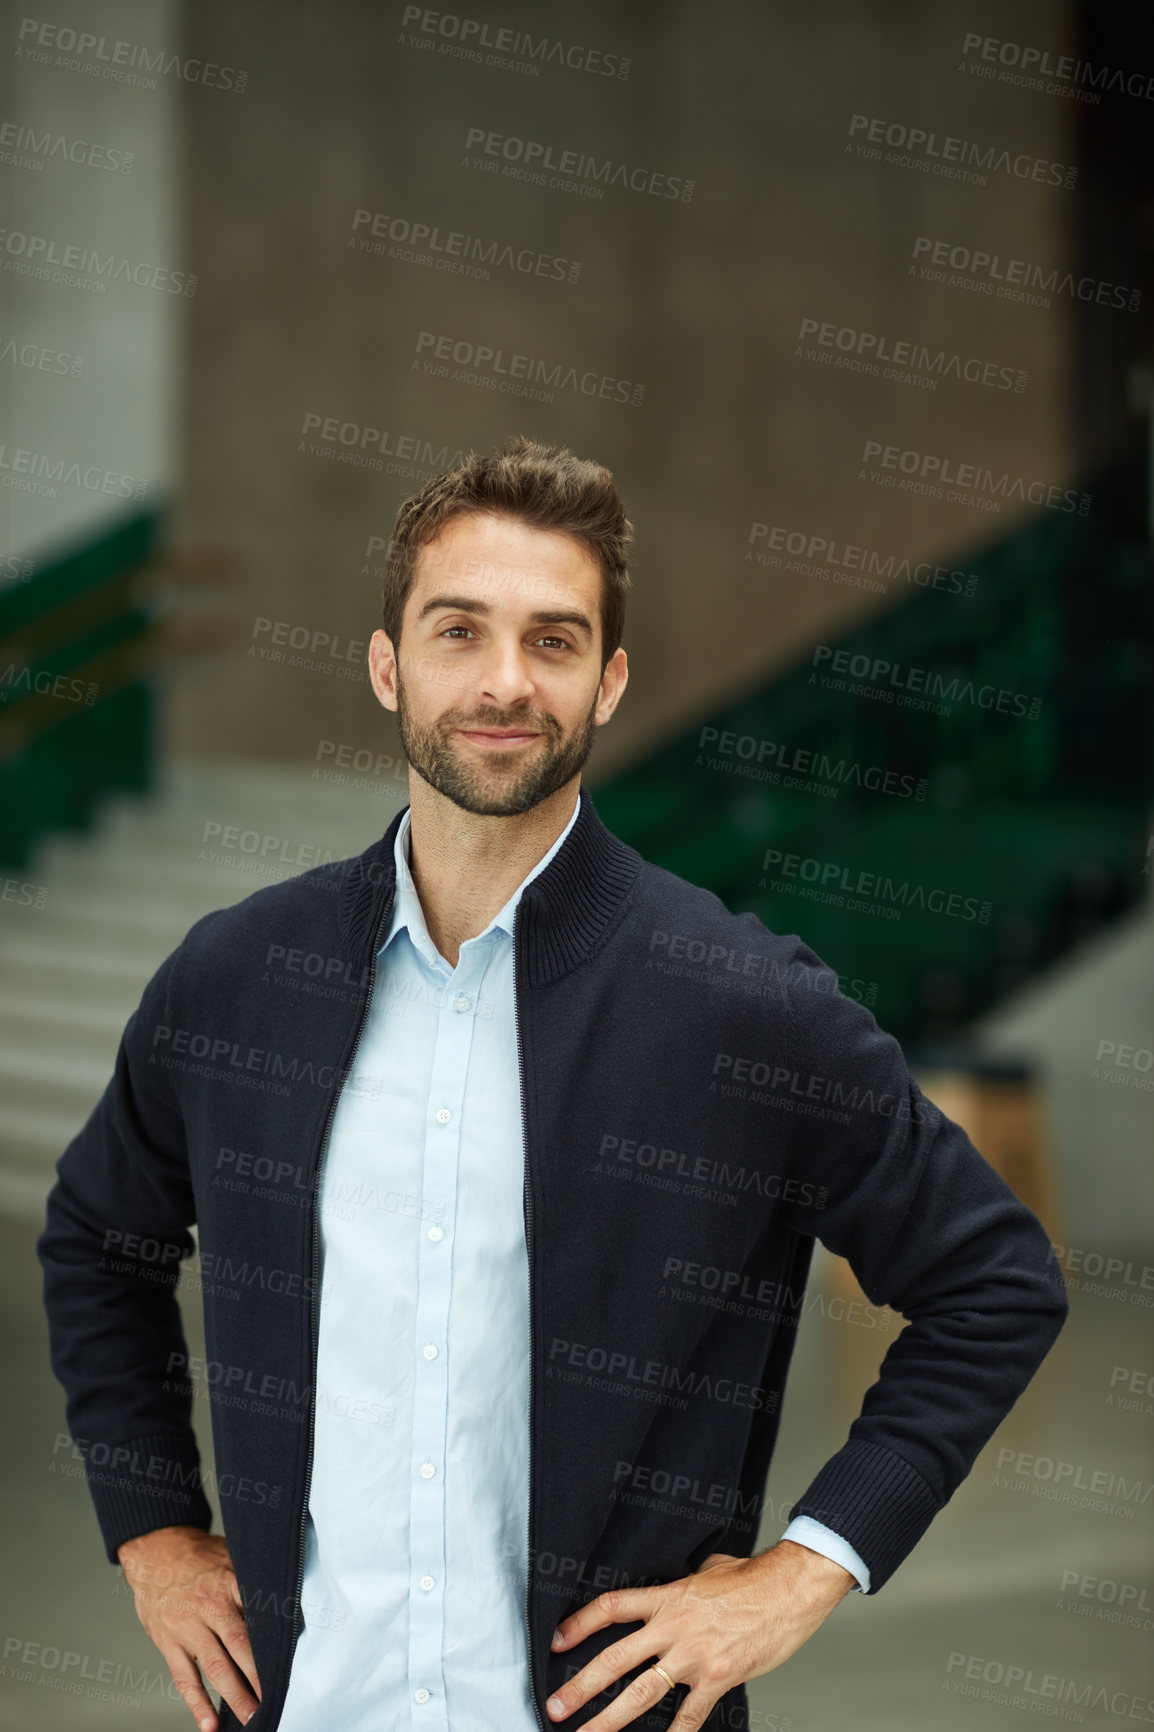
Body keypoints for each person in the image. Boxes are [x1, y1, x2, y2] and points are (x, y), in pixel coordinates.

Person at [39, 436, 1068, 1732]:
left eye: (555, 639)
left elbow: (993, 1282)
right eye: (458, 631)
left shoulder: (740, 1005)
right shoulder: (238, 979)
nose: (504, 681)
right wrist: (153, 1531)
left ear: (610, 681)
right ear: (384, 662)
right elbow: (95, 1238)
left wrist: (804, 1571)